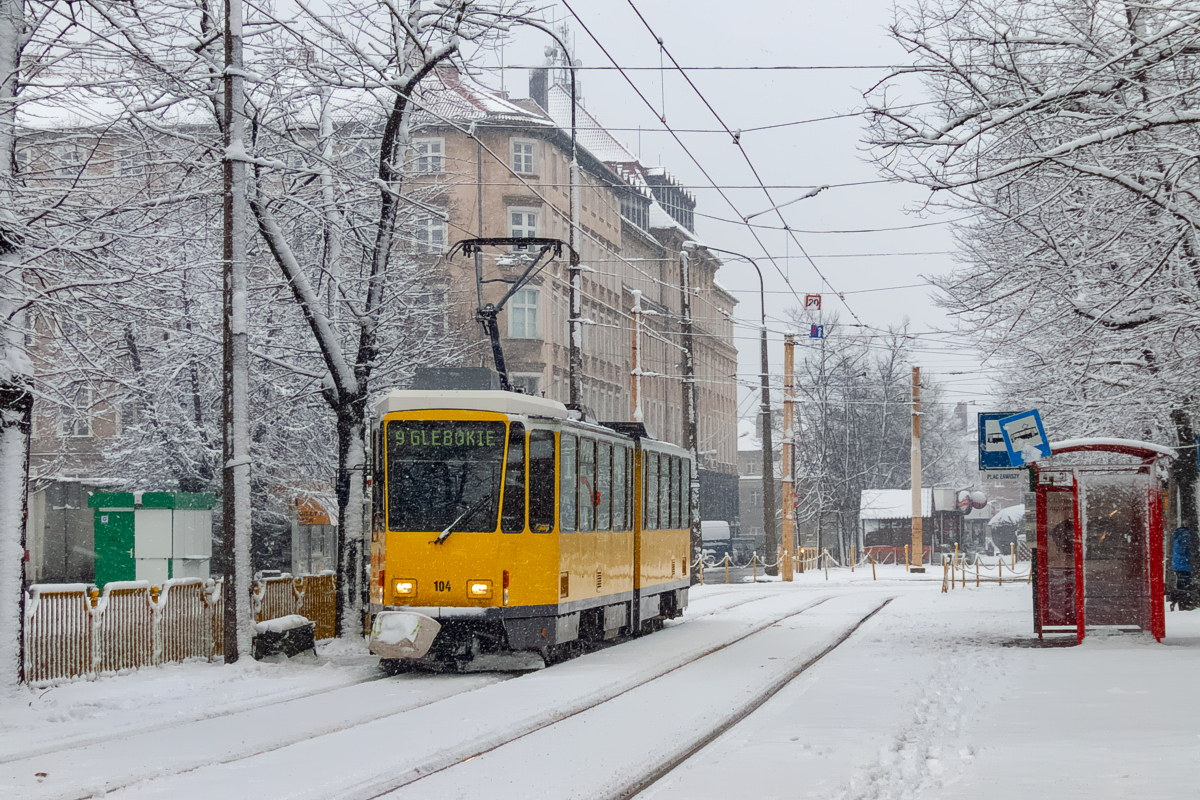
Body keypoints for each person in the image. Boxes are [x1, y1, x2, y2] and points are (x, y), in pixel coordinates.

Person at [1171, 527, 1195, 611]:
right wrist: (1191, 558)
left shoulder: (1178, 536)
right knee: (1186, 585)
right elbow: (1185, 549)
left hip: (1178, 565)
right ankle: (1185, 604)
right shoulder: (1185, 535)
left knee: (1181, 584)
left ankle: (1177, 602)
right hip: (1184, 565)